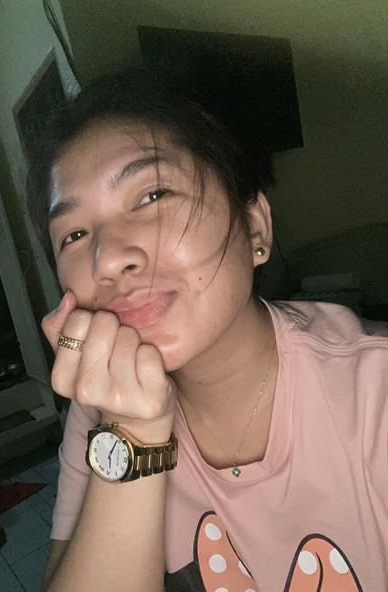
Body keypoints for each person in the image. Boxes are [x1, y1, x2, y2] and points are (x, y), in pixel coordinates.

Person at [27, 69, 388, 592]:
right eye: (75, 234)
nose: (107, 260)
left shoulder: (375, 393)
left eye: (152, 195)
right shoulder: (101, 414)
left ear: (255, 227)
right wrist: (134, 431)